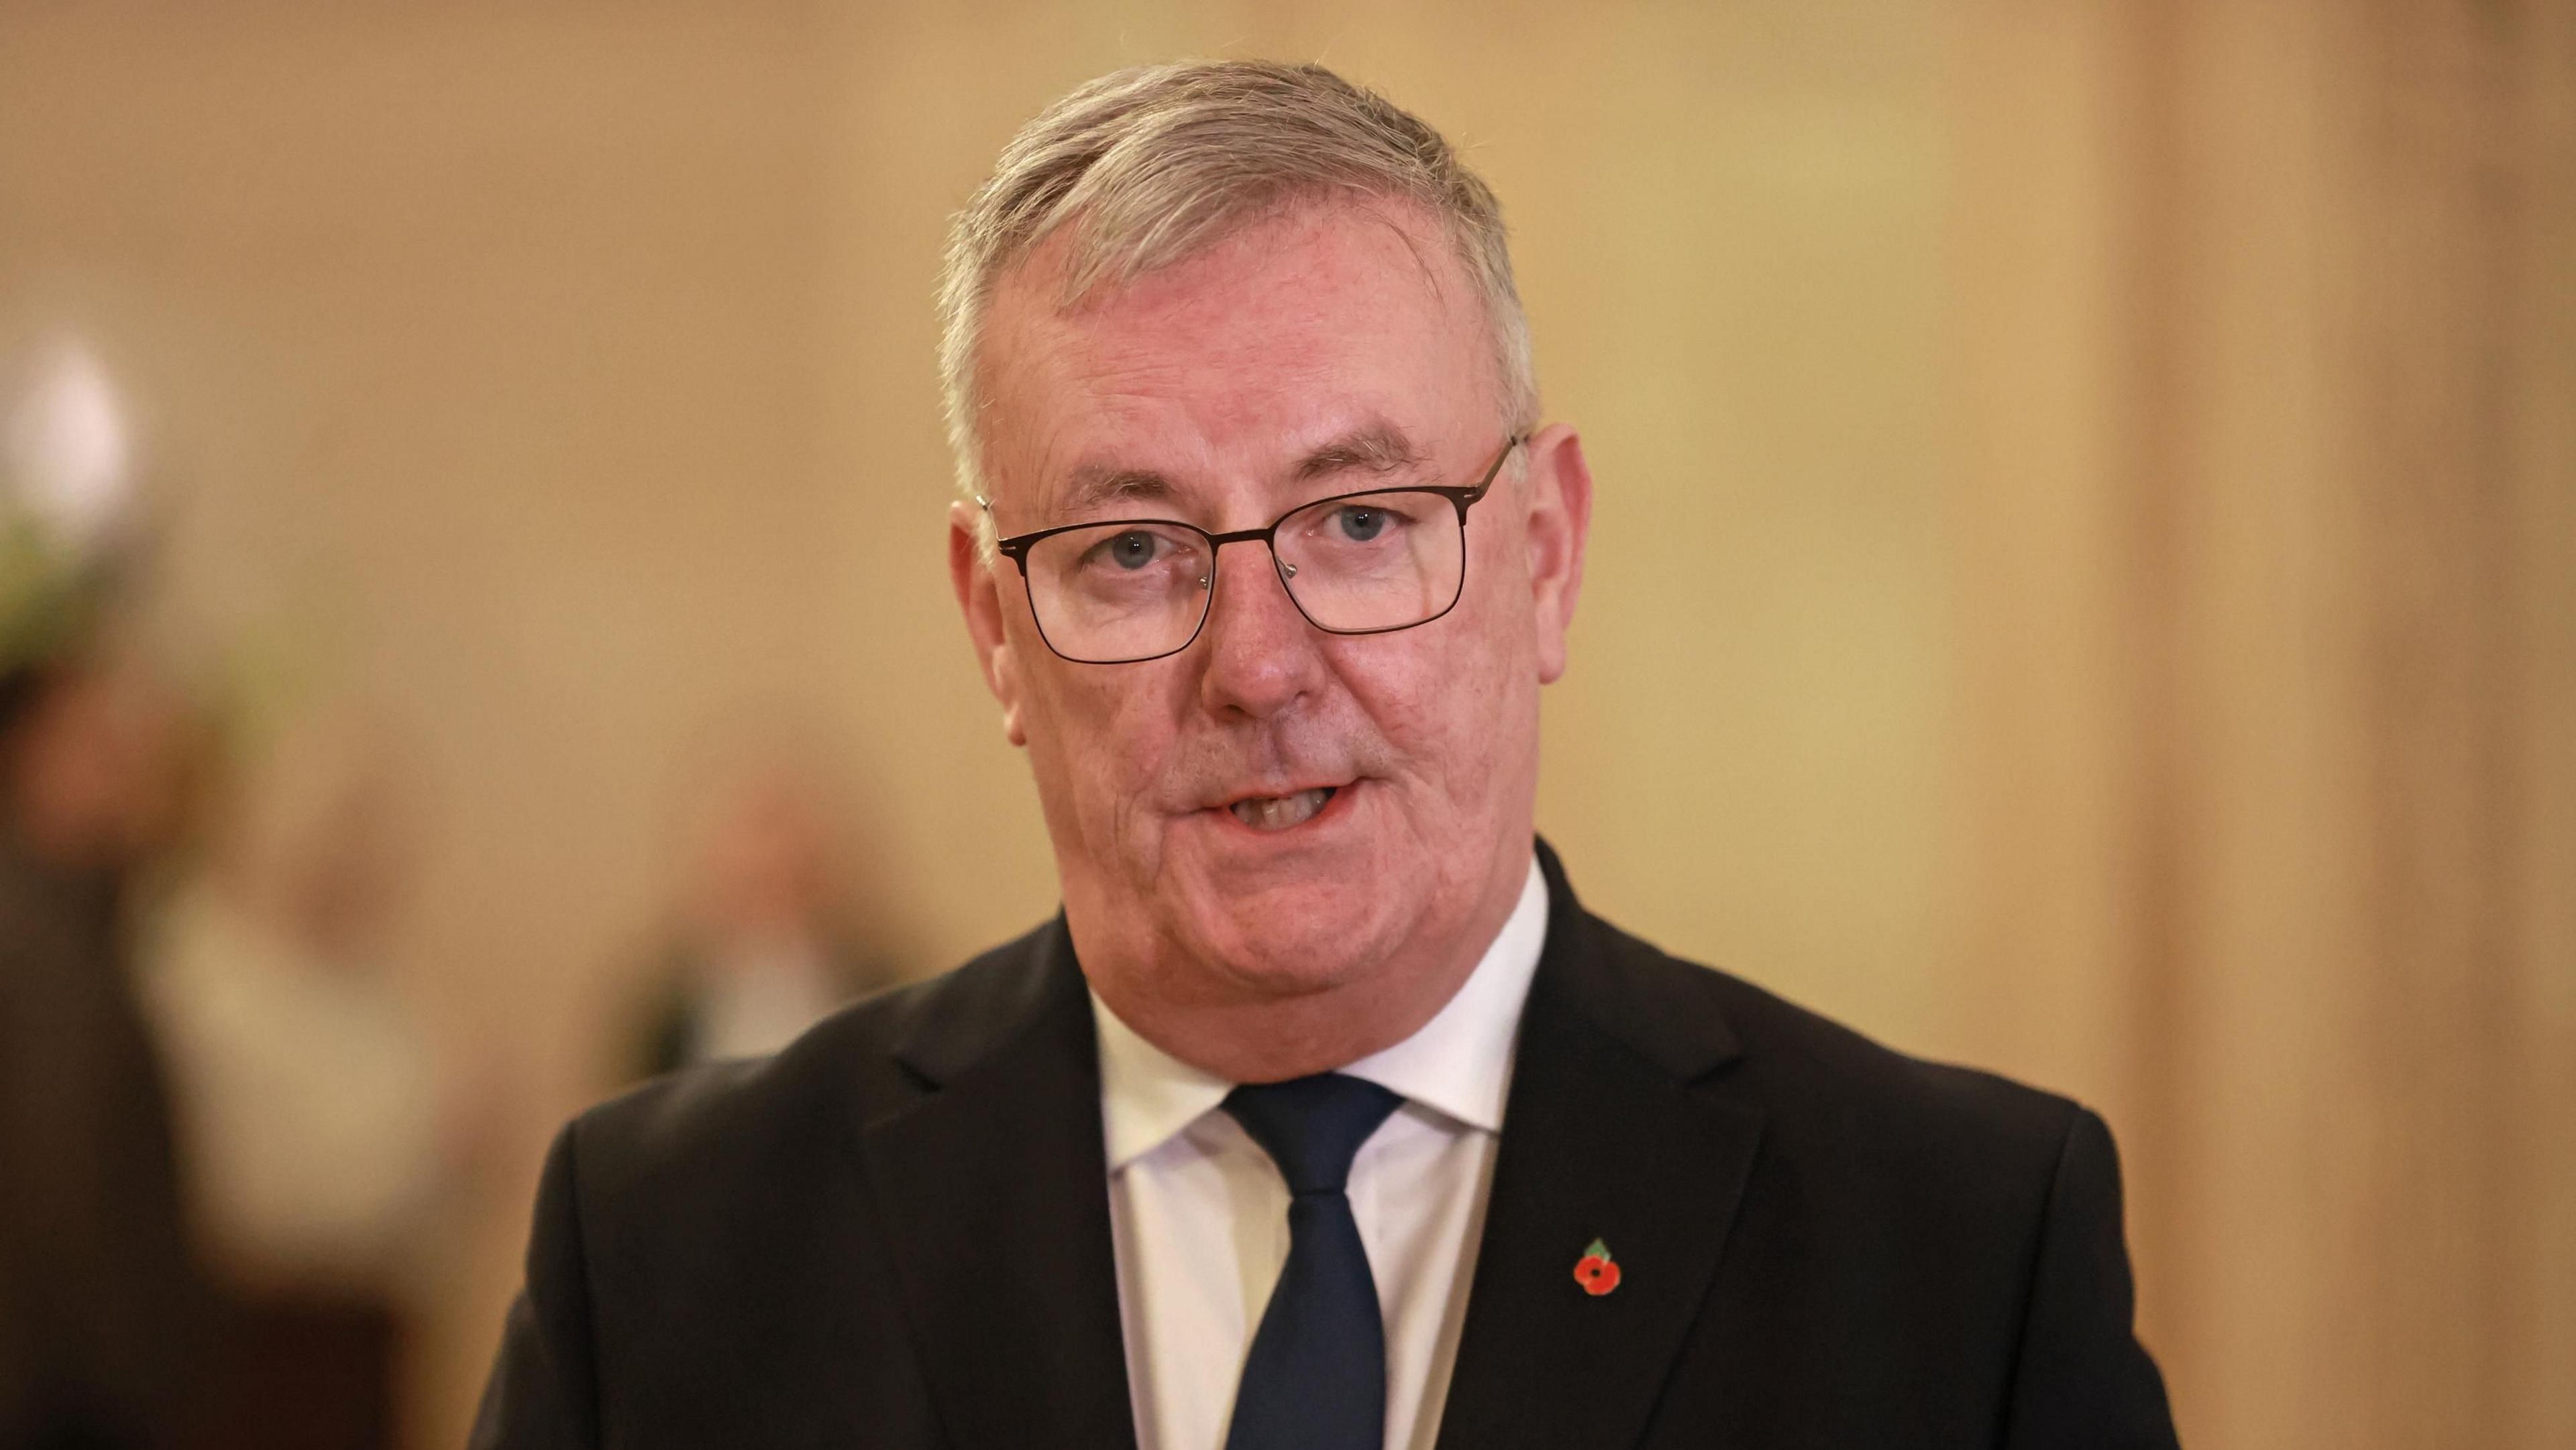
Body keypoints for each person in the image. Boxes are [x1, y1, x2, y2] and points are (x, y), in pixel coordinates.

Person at [471, 60, 2180, 1449]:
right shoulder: (671, 1257)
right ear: (995, 626)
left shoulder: (1954, 1259)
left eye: (1362, 521)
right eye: (1132, 548)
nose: (1260, 667)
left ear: (1546, 556)